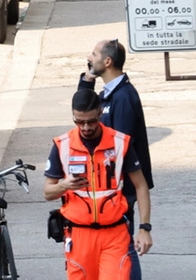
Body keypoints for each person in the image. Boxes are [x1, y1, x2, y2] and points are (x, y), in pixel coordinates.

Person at [43, 90, 153, 280]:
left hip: (114, 234)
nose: (85, 127)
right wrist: (65, 185)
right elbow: (47, 192)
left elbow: (141, 186)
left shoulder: (120, 143)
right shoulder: (63, 145)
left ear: (100, 113)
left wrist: (145, 228)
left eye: (91, 121)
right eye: (79, 121)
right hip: (79, 236)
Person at [78, 38, 153, 280]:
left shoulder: (123, 97)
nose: (89, 58)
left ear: (107, 61)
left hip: (120, 189)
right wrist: (87, 82)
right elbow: (83, 110)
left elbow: (120, 148)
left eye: (93, 54)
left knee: (124, 247)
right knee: (118, 248)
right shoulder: (108, 94)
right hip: (107, 189)